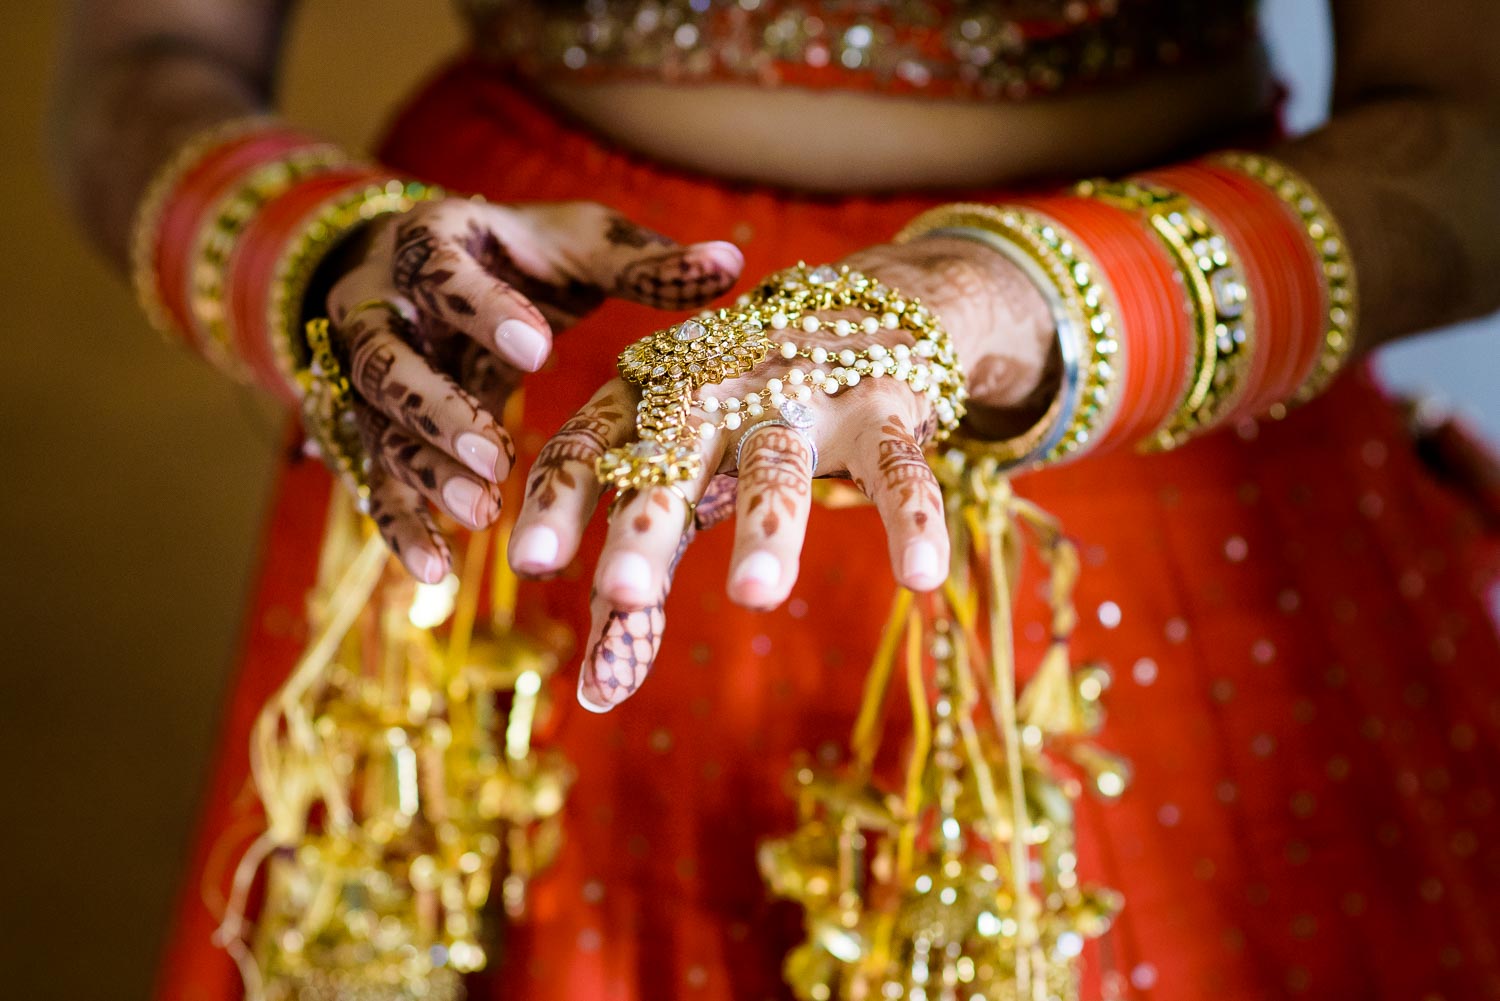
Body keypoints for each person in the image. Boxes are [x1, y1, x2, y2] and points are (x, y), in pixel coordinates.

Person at [53, 1, 1500, 998]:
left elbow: (1471, 132)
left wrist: (1005, 304)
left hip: (1115, 428)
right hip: (516, 401)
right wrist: (314, 260)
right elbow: (144, 55)